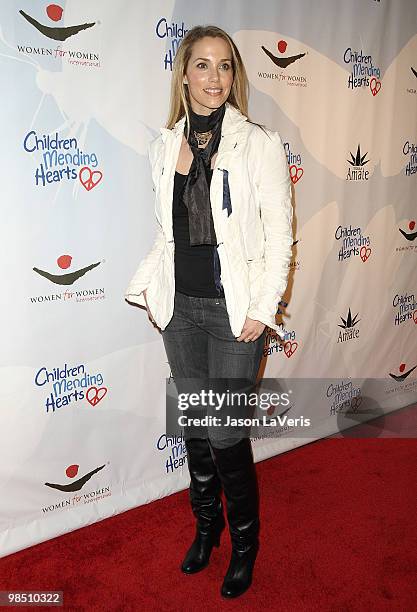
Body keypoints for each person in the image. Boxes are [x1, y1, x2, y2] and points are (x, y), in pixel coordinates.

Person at [125, 25, 293, 599]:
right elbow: (166, 233)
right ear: (185, 75)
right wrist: (152, 289)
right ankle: (207, 527)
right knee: (196, 425)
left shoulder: (259, 143)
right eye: (202, 65)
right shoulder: (161, 146)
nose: (214, 77)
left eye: (225, 66)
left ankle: (245, 543)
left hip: (234, 314)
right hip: (180, 310)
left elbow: (279, 236)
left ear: (235, 75)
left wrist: (263, 309)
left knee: (225, 433)